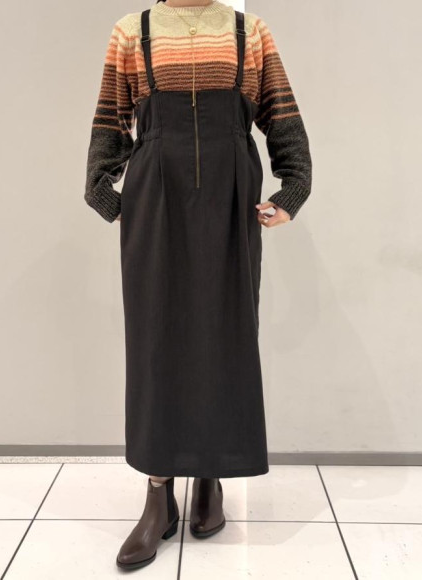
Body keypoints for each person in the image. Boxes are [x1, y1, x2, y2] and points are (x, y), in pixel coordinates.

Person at [84, 0, 312, 570]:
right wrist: (105, 193)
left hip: (231, 199)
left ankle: (212, 475)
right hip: (155, 198)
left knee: (225, 334)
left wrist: (292, 190)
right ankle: (158, 495)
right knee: (157, 341)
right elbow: (111, 119)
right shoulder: (131, 32)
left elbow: (282, 115)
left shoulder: (249, 31)